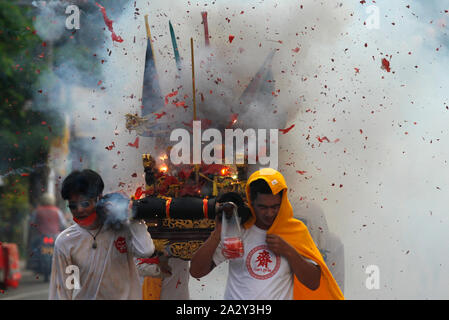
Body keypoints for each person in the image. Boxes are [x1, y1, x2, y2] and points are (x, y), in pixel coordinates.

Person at [190, 168, 344, 300]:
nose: (270, 213)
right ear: (252, 202)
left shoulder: (294, 231)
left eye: (275, 206)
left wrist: (288, 251)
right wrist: (217, 233)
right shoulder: (239, 229)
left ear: (283, 202)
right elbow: (196, 271)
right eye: (263, 207)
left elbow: (313, 282)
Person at [49, 169, 155, 300]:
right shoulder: (65, 241)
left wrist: (131, 215)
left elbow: (146, 250)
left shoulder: (121, 227)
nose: (79, 210)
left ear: (99, 198)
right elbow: (61, 292)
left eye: (85, 203)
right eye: (72, 206)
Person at [294, 202, 345, 293]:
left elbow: (337, 284)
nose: (299, 227)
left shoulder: (332, 244)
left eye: (302, 222)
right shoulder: (284, 241)